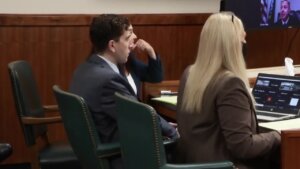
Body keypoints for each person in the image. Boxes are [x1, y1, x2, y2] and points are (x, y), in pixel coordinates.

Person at [69, 14, 178, 169]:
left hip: (98, 150)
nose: (131, 43)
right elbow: (142, 115)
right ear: (112, 45)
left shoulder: (84, 69)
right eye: (127, 38)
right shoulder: (107, 79)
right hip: (121, 154)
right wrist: (174, 132)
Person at [175, 12, 280, 169]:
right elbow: (244, 147)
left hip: (195, 163)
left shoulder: (189, 73)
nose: (244, 43)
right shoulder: (230, 84)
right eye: (242, 38)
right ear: (231, 44)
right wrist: (277, 136)